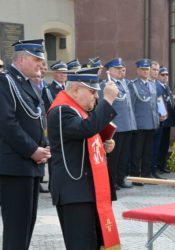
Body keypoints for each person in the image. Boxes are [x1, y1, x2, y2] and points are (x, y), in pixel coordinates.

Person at [47, 67, 120, 249]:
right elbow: (86, 128)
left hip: (87, 190)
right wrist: (108, 100)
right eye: (93, 92)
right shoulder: (61, 110)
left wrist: (103, 148)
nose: (96, 97)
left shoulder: (79, 112)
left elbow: (85, 137)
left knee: (94, 244)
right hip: (74, 193)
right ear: (76, 89)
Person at [0, 39, 51, 249]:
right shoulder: (5, 81)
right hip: (14, 166)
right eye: (36, 59)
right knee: (16, 229)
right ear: (21, 59)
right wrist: (32, 150)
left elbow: (38, 119)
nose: (41, 64)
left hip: (30, 166)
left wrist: (44, 146)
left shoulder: (27, 83)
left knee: (26, 227)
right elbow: (7, 123)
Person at [100, 57, 136, 189]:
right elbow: (105, 106)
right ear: (110, 71)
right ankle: (111, 181)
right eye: (118, 69)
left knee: (124, 156)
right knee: (114, 157)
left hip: (127, 125)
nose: (121, 71)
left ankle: (120, 178)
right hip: (116, 127)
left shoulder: (124, 84)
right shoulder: (107, 85)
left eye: (122, 69)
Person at [128, 59, 160, 186]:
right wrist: (132, 123)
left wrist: (157, 119)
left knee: (148, 152)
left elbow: (154, 105)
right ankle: (136, 177)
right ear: (138, 70)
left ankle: (146, 176)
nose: (146, 72)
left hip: (151, 123)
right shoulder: (133, 85)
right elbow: (131, 105)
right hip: (139, 124)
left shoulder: (152, 84)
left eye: (147, 69)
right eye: (143, 70)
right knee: (137, 152)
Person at [154, 66, 174, 175]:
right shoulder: (157, 86)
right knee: (159, 144)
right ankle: (157, 165)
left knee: (165, 144)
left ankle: (162, 165)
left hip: (168, 120)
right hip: (161, 119)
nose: (165, 77)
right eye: (163, 75)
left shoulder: (166, 86)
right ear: (158, 76)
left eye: (167, 75)